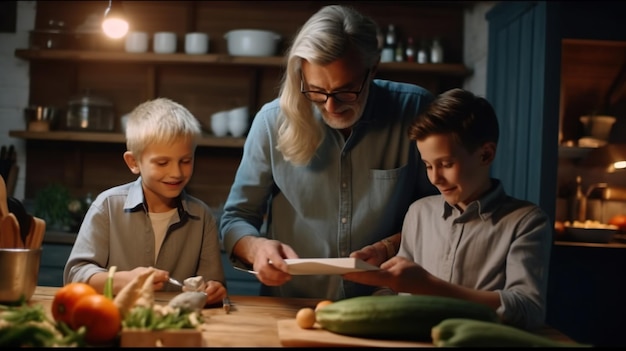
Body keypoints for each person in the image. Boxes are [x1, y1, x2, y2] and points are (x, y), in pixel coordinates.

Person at [219, 4, 437, 300]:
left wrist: (388, 246)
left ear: (373, 69)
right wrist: (256, 248)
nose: (331, 107)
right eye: (317, 91)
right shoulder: (271, 122)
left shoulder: (415, 111)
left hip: (386, 303)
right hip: (293, 303)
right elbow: (235, 218)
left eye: (347, 91)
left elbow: (442, 214)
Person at [344, 88, 552, 331]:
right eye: (428, 165)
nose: (435, 179)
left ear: (486, 154)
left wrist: (428, 286)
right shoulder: (419, 213)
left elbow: (527, 309)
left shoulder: (526, 222)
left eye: (446, 164)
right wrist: (381, 294)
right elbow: (392, 288)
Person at [64, 97, 227, 305]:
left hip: (178, 327)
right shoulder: (107, 206)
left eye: (185, 161)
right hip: (115, 322)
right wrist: (121, 281)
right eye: (162, 162)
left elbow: (214, 285)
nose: (176, 172)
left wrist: (213, 291)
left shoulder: (202, 216)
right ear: (133, 162)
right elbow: (75, 275)